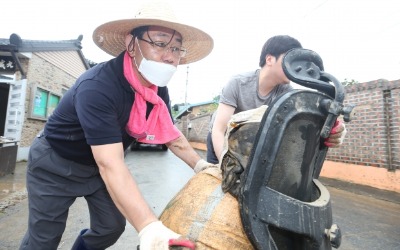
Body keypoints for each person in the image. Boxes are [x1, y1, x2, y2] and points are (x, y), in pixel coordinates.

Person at [19, 1, 215, 250]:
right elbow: (110, 162)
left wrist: (201, 166)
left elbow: (171, 134)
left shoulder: (157, 91)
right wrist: (150, 227)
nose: (170, 56)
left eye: (177, 48)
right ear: (131, 44)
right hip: (55, 164)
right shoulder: (97, 87)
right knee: (44, 238)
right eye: (160, 42)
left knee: (111, 227)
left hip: (95, 169)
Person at [207, 35, 347, 164]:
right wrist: (224, 167)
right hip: (221, 138)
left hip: (249, 141)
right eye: (289, 60)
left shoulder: (286, 93)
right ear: (269, 59)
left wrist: (334, 128)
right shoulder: (238, 83)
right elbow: (218, 130)